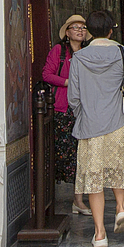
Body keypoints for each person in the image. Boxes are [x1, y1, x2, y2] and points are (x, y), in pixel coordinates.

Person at [66, 9, 124, 247]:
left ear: (88, 31)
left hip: (90, 126)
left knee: (94, 181)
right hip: (119, 121)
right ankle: (120, 208)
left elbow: (73, 97)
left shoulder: (78, 58)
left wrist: (84, 116)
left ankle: (99, 234)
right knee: (118, 169)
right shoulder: (123, 52)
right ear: (110, 31)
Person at [43, 14, 91, 216]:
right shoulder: (59, 51)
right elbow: (46, 74)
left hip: (85, 110)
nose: (79, 30)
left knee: (82, 155)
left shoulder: (89, 52)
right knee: (61, 153)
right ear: (67, 32)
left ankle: (78, 200)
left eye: (83, 27)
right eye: (75, 27)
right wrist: (68, 82)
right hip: (63, 109)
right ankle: (46, 198)